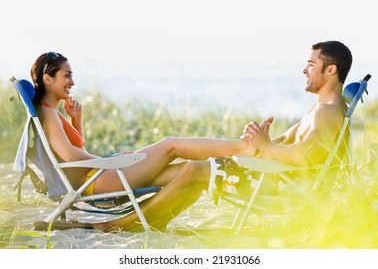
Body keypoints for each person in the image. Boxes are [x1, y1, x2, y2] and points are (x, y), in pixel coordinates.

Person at [87, 40, 353, 232]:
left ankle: (117, 224)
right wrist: (262, 139)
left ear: (330, 70)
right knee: (185, 168)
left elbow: (304, 158)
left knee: (193, 171)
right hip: (273, 174)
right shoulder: (318, 109)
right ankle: (146, 214)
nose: (304, 70)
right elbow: (286, 142)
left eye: (310, 64)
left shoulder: (328, 113)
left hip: (278, 184)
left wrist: (263, 145)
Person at [30, 51, 259, 231]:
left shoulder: (53, 112)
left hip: (95, 177)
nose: (72, 82)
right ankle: (244, 148)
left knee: (183, 170)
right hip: (96, 181)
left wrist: (76, 120)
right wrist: (107, 161)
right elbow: (70, 157)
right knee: (171, 144)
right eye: (67, 76)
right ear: (48, 79)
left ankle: (244, 166)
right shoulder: (48, 113)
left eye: (72, 76)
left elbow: (74, 151)